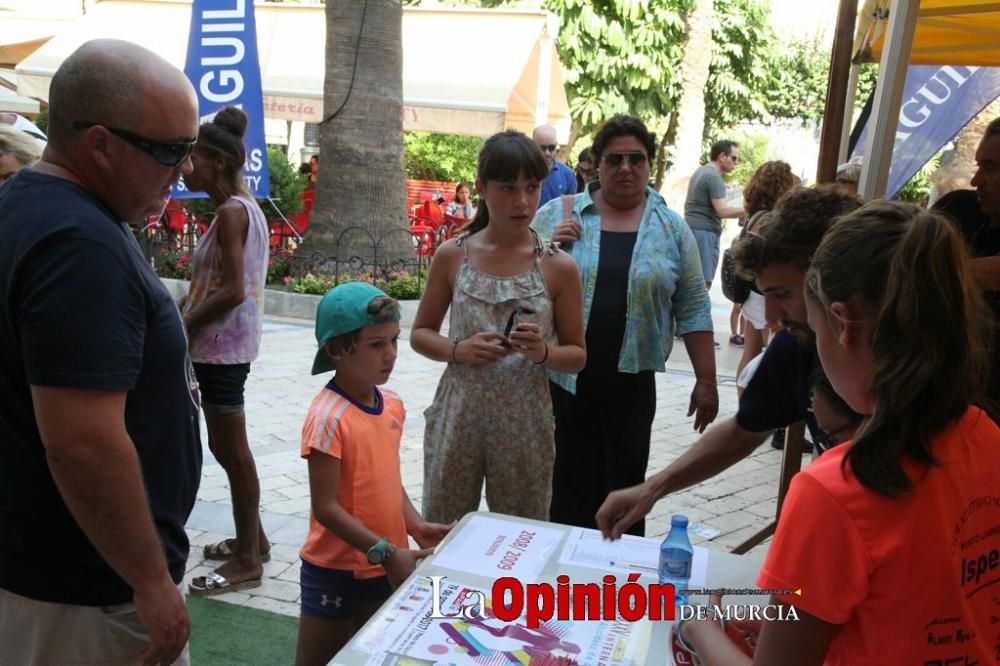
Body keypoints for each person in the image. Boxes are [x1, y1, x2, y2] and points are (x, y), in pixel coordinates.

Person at [677, 201, 999, 665]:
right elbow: (889, 604)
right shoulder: (984, 434)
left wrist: (700, 629)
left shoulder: (834, 493)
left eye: (812, 322)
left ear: (842, 323)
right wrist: (757, 611)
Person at [0, 39, 200, 664]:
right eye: (170, 151)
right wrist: (147, 579)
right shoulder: (76, 243)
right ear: (101, 144)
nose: (184, 170)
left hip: (54, 576)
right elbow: (82, 441)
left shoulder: (36, 208)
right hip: (86, 595)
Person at [595, 185, 862, 540]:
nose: (770, 316)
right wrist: (653, 488)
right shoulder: (794, 345)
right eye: (765, 295)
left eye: (782, 294)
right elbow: (744, 431)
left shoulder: (910, 364)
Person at [533, 115, 718, 537]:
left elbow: (692, 304)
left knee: (627, 488)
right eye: (614, 159)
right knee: (563, 486)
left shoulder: (671, 229)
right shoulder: (554, 215)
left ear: (650, 165)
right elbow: (513, 281)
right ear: (595, 165)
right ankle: (561, 584)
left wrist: (707, 378)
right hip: (561, 382)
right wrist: (546, 251)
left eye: (637, 159)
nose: (625, 168)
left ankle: (617, 584)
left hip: (631, 385)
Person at [411, 130, 586, 524]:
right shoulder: (453, 255)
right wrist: (458, 350)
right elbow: (420, 333)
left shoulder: (558, 266)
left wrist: (543, 352)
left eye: (532, 186)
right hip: (459, 414)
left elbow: (577, 355)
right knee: (443, 529)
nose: (522, 201)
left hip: (526, 418)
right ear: (482, 188)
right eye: (508, 187)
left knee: (523, 533)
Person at [295, 282, 452, 664]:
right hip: (337, 571)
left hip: (385, 563)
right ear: (336, 349)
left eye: (393, 341)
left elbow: (384, 475)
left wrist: (414, 525)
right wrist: (383, 550)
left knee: (370, 656)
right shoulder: (328, 417)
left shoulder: (392, 403)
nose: (391, 354)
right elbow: (326, 507)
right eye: (376, 344)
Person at [181, 107, 272, 596]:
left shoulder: (231, 211)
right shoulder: (244, 207)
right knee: (227, 447)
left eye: (191, 157)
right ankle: (253, 538)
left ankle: (247, 561)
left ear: (215, 161)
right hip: (225, 349)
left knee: (233, 453)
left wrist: (182, 322)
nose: (184, 166)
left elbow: (234, 290)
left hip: (219, 350)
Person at [735, 161, 796, 382]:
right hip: (764, 295)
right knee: (770, 356)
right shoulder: (770, 219)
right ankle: (753, 406)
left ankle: (745, 405)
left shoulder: (753, 215)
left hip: (753, 295)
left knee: (750, 353)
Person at [684, 139, 745, 288]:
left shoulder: (701, 171)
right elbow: (722, 211)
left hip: (692, 231)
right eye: (734, 158)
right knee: (702, 284)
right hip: (704, 234)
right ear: (722, 156)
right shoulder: (713, 177)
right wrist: (749, 210)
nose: (736, 163)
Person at [534, 124, 577, 206]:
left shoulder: (568, 175)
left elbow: (571, 209)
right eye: (542, 148)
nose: (547, 153)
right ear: (533, 146)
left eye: (551, 148)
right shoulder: (522, 172)